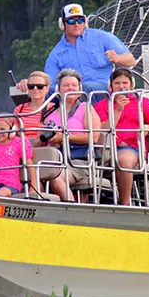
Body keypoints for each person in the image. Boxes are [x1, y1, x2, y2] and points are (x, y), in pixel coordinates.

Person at [18, 3, 136, 96]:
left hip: (105, 90)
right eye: (71, 21)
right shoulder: (56, 54)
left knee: (85, 87)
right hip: (74, 95)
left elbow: (131, 60)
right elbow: (49, 83)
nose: (77, 24)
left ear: (85, 21)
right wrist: (31, 84)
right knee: (44, 92)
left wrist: (118, 58)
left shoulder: (102, 37)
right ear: (62, 24)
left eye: (80, 20)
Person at [93, 68, 149, 205]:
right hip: (105, 148)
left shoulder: (142, 102)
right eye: (117, 83)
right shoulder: (101, 105)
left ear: (131, 85)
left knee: (123, 160)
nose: (121, 86)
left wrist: (146, 128)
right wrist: (118, 109)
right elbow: (101, 129)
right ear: (110, 86)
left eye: (125, 83)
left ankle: (124, 204)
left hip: (132, 148)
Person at [42, 69, 102, 201]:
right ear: (59, 89)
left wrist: (65, 138)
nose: (70, 88)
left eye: (74, 85)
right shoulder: (49, 112)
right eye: (66, 85)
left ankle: (73, 210)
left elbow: (94, 137)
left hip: (78, 160)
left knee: (55, 178)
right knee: (33, 175)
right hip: (54, 158)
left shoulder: (86, 108)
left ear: (80, 88)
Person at [0, 116, 36, 197]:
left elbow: (29, 164)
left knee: (0, 194)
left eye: (2, 129)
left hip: (11, 185)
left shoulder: (18, 142)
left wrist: (33, 186)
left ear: (12, 129)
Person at [14, 71, 58, 147]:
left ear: (47, 88)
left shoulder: (54, 108)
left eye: (39, 86)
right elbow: (14, 132)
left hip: (46, 148)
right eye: (31, 86)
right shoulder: (19, 109)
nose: (35, 89)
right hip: (23, 148)